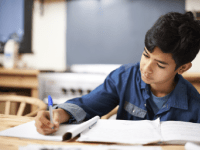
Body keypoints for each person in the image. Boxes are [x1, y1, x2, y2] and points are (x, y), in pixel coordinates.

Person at [35, 11, 200, 135]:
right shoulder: (124, 77)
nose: (146, 68)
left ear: (182, 68)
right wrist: (58, 114)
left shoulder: (194, 105)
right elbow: (87, 106)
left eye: (160, 65)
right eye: (145, 55)